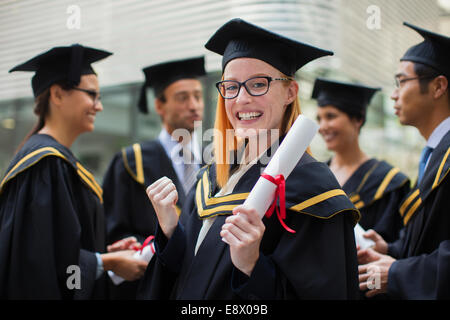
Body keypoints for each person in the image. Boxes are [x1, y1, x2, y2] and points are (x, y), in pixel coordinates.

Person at [137, 18, 361, 300]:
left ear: (290, 92)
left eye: (258, 84)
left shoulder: (311, 189)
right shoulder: (211, 179)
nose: (241, 98)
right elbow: (191, 275)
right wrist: (170, 229)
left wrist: (251, 265)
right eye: (231, 87)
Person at [0, 44, 148, 299]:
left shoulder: (55, 161)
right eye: (92, 95)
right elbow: (37, 265)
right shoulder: (44, 164)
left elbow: (60, 246)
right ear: (57, 95)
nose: (98, 106)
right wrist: (107, 263)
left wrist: (104, 252)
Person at [358, 23, 450, 299]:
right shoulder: (436, 154)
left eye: (401, 82)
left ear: (438, 86)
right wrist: (391, 250)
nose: (394, 94)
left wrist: (398, 273)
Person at [102, 57, 206, 299]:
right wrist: (144, 246)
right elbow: (114, 230)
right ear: (160, 105)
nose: (194, 105)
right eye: (183, 97)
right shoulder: (132, 161)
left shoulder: (219, 160)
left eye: (198, 96)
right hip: (151, 285)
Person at [313, 78, 410, 243]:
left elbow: (397, 244)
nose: (322, 126)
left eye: (330, 116)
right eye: (319, 119)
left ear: (358, 119)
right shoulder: (316, 174)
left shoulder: (388, 182)